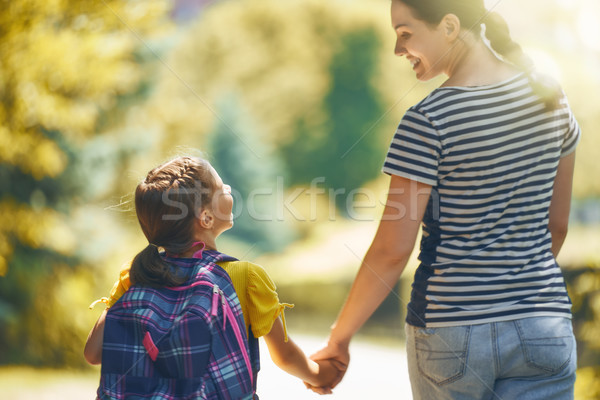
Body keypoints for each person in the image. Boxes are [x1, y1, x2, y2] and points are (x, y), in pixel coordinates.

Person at [310, 1, 580, 399]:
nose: (397, 50)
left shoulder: (429, 119)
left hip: (450, 333)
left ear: (450, 26)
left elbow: (391, 250)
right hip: (544, 325)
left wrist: (339, 339)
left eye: (405, 33)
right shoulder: (550, 99)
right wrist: (514, 288)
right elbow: (556, 227)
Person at [85, 156, 338, 398]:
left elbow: (93, 353)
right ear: (206, 218)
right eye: (221, 188)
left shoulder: (137, 273)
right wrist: (320, 375)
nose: (228, 188)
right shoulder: (245, 277)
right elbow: (285, 357)